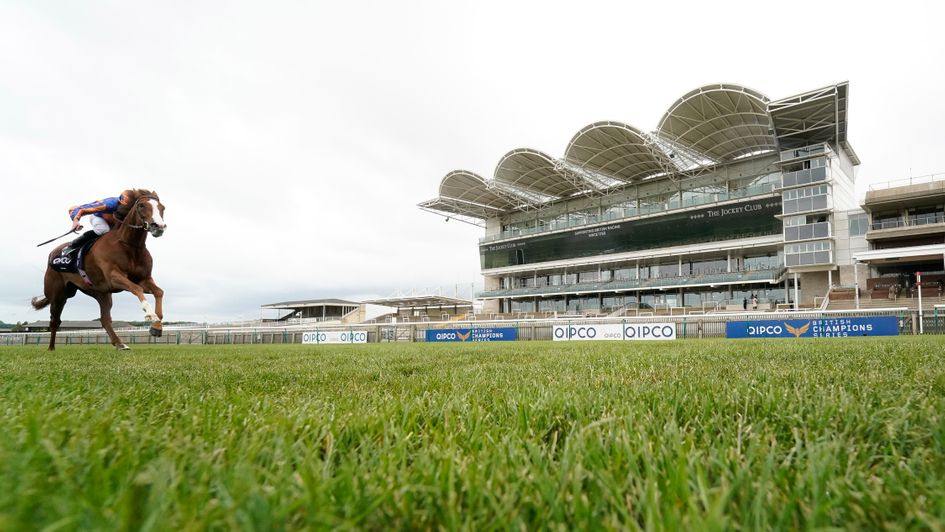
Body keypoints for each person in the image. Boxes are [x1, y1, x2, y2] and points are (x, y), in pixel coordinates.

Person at [61, 192, 130, 254]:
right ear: (120, 202)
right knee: (104, 230)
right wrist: (76, 221)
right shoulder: (109, 204)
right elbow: (81, 209)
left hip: (113, 220)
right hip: (97, 217)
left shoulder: (132, 206)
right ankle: (73, 245)